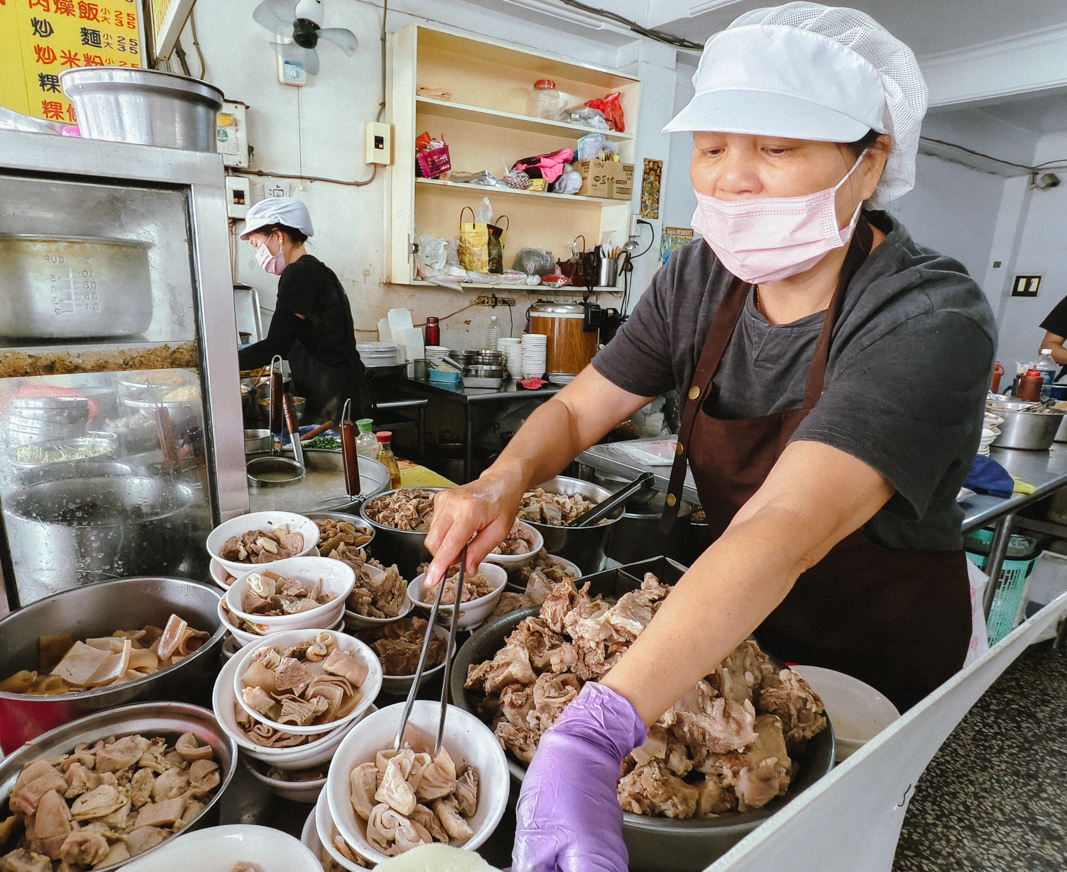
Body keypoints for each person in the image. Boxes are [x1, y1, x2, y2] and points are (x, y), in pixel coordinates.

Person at [421, 4, 996, 870]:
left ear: (869, 162)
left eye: (777, 148)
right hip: (731, 623)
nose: (730, 180)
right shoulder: (699, 277)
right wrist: (499, 481)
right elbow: (580, 410)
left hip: (877, 640)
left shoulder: (928, 317)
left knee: (838, 839)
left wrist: (597, 727)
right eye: (714, 146)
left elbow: (782, 526)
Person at [238, 197, 365, 423]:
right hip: (341, 389)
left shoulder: (298, 274)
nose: (258, 254)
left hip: (331, 399)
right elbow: (293, 340)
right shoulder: (317, 270)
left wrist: (227, 363)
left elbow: (278, 344)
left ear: (278, 236)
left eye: (257, 245)